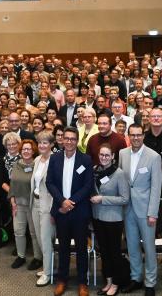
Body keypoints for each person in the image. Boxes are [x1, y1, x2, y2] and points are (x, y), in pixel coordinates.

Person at [46, 126, 94, 296]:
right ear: (62, 140)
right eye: (66, 138)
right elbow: (49, 183)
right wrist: (62, 202)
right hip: (61, 210)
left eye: (73, 139)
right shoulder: (55, 158)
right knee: (63, 247)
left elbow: (88, 185)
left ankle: (82, 282)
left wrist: (71, 201)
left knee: (81, 248)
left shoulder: (86, 160)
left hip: (79, 211)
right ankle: (62, 280)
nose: (69, 141)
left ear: (77, 140)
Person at [119, 123, 162, 296]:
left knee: (149, 248)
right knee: (132, 246)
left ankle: (150, 282)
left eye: (139, 135)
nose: (136, 138)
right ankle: (136, 278)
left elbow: (156, 187)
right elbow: (121, 181)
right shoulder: (123, 153)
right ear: (128, 136)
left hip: (146, 211)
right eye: (132, 135)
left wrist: (153, 212)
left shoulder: (154, 156)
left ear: (143, 136)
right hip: (127, 208)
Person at [90, 143, 129, 296]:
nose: (104, 158)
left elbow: (125, 199)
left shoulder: (119, 173)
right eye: (101, 155)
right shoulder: (95, 171)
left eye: (107, 155)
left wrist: (103, 199)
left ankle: (116, 283)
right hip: (97, 217)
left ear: (113, 157)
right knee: (104, 252)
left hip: (113, 219)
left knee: (114, 253)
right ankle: (108, 281)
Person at [8, 139, 39, 269]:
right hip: (18, 204)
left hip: (33, 205)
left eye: (29, 149)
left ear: (33, 151)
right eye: (24, 149)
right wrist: (12, 201)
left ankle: (38, 258)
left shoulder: (37, 165)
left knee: (34, 232)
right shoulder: (16, 165)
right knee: (18, 231)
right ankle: (21, 256)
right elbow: (12, 185)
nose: (26, 151)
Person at [31, 131, 55, 287]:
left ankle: (48, 273)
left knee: (46, 240)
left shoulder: (56, 161)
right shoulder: (37, 159)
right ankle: (49, 266)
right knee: (39, 237)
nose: (42, 145)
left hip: (48, 205)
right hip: (35, 202)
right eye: (40, 142)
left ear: (52, 145)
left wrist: (54, 209)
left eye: (45, 142)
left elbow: (57, 187)